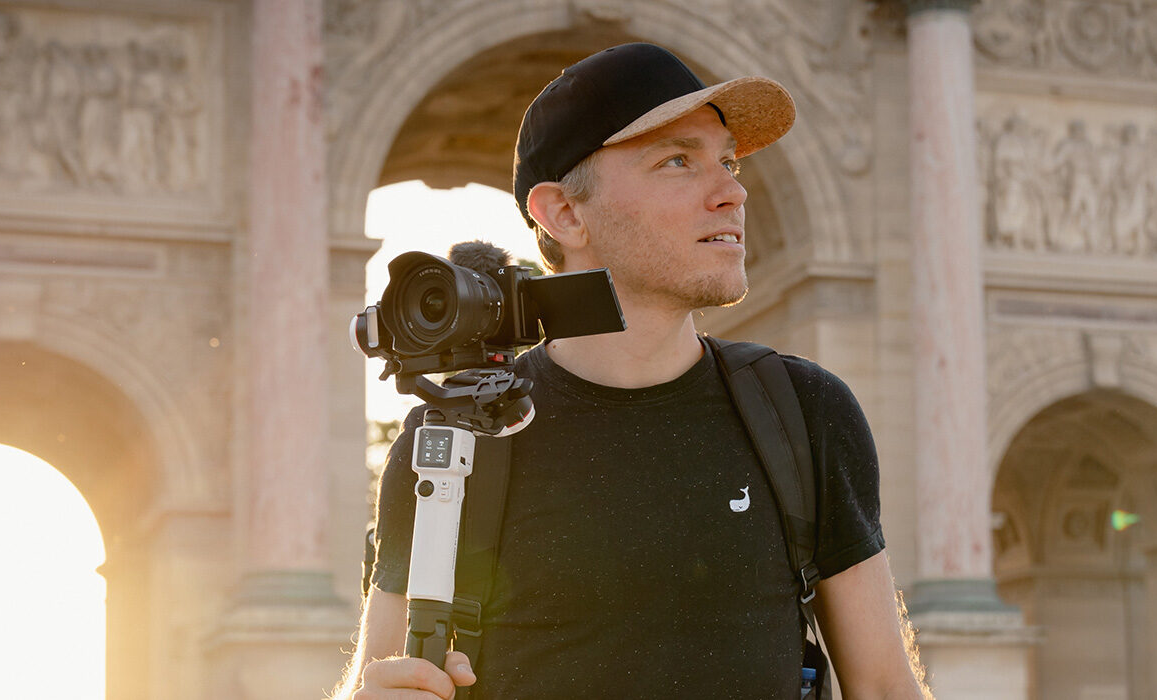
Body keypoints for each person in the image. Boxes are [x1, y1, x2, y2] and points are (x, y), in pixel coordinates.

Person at [338, 43, 929, 700]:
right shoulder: (454, 441)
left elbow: (884, 688)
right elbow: (381, 678)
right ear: (565, 214)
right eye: (678, 161)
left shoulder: (805, 411)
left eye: (728, 162)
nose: (733, 192)